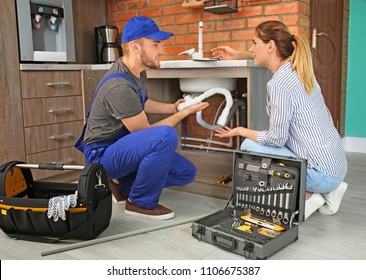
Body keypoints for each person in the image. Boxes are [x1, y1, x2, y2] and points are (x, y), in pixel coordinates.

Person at [75, 16, 209, 220]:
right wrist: (183, 114)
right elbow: (146, 133)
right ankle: (139, 202)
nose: (161, 51)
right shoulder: (119, 85)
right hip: (101, 155)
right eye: (155, 45)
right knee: (164, 135)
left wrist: (172, 107)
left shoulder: (136, 72)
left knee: (185, 172)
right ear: (136, 47)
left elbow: (142, 103)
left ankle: (122, 182)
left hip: (119, 145)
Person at [212, 20, 348, 220]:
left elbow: (277, 139)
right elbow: (264, 55)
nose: (251, 48)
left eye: (254, 43)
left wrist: (241, 130)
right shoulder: (298, 69)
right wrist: (238, 54)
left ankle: (309, 196)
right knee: (267, 140)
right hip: (336, 166)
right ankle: (330, 190)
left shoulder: (279, 84)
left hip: (321, 174)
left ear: (270, 46)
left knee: (249, 144)